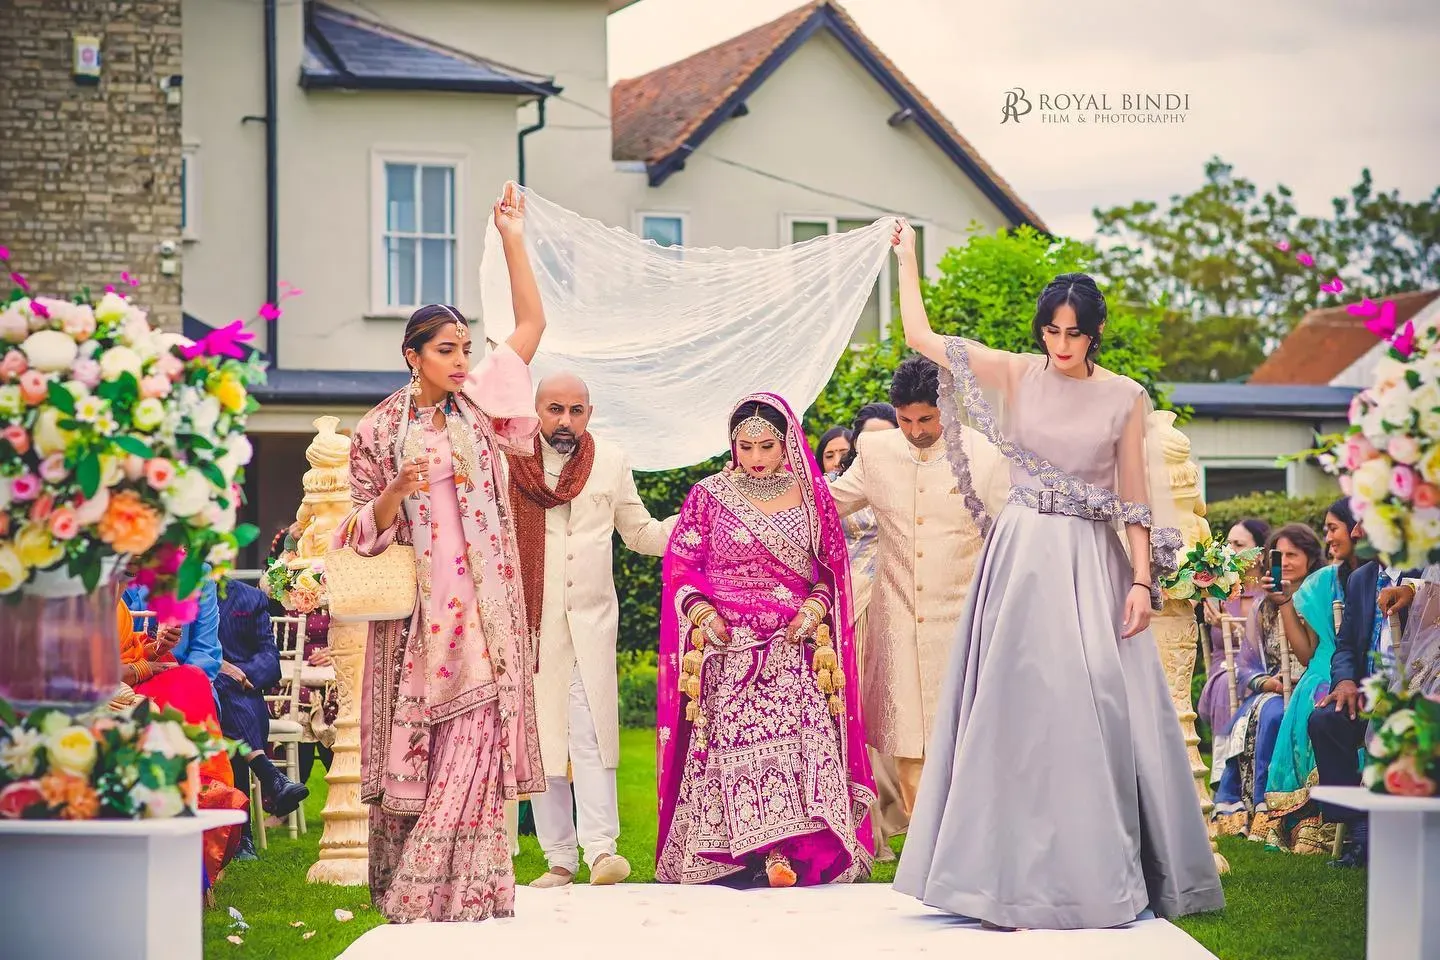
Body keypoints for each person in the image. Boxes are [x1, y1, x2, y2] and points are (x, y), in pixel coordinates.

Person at [888, 220, 1223, 930]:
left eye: (1074, 333)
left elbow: (1134, 497)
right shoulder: (1016, 372)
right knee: (1009, 712)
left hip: (1086, 564)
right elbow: (920, 335)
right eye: (1052, 331)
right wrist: (908, 259)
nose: (1061, 345)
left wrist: (1140, 583)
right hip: (1019, 559)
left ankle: (1093, 872)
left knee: (1094, 707)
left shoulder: (1125, 397)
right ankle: (992, 877)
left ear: (1095, 332)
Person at [338, 183, 547, 923]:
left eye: (465, 348)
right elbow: (356, 530)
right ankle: (421, 888)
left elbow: (530, 323)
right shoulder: (378, 430)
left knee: (480, 741)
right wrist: (395, 488)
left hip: (486, 613)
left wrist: (512, 237)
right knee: (424, 750)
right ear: (412, 355)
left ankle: (472, 890)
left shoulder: (485, 402)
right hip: (421, 626)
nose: (462, 360)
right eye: (447, 350)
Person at [655, 394, 875, 887]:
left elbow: (827, 573)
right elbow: (684, 566)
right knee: (735, 742)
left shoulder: (811, 498)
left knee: (800, 744)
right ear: (732, 446)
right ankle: (753, 855)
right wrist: (703, 611)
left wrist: (812, 610)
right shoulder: (707, 496)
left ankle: (789, 853)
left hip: (794, 645)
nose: (755, 458)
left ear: (787, 444)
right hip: (728, 647)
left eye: (766, 447)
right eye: (745, 446)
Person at [826, 358, 1008, 818]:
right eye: (905, 419)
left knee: (968, 736)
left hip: (965, 620)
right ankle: (923, 845)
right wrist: (753, 498)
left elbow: (1012, 536)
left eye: (927, 419)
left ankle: (969, 842)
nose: (916, 430)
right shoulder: (876, 451)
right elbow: (827, 505)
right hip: (899, 619)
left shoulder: (986, 454)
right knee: (906, 735)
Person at [513, 371, 674, 889]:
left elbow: (641, 533)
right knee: (544, 735)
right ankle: (559, 858)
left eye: (575, 410)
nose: (564, 420)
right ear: (536, 409)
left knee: (593, 733)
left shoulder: (611, 460)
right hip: (532, 625)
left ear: (589, 411)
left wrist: (701, 520)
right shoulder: (511, 460)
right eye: (554, 409)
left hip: (592, 622)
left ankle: (602, 851)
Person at [115, 602, 246, 892]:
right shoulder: (89, 596)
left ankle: (212, 792)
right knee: (186, 684)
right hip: (111, 690)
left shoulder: (117, 594)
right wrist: (143, 666)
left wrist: (156, 648)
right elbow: (94, 667)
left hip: (151, 673)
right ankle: (200, 799)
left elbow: (206, 652)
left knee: (192, 679)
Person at [1308, 530, 1419, 868]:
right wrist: (1343, 682)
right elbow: (1345, 646)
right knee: (1325, 720)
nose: (1355, 532)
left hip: (1417, 689)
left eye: (1363, 522)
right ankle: (1359, 831)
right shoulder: (1361, 578)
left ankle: (1398, 834)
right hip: (1367, 693)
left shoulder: (1426, 573)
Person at [1209, 524, 1324, 839]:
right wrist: (1265, 683)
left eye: (1293, 554)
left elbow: (1315, 653)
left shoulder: (1318, 595)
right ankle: (1244, 806)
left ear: (1311, 558)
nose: (1285, 561)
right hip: (1273, 687)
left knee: (1272, 713)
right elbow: (1246, 662)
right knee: (1256, 711)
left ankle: (1266, 805)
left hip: (1310, 684)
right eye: (1280, 554)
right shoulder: (1264, 605)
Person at [830, 402, 905, 861]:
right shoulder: (837, 490)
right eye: (869, 440)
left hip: (900, 602)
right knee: (857, 714)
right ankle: (867, 832)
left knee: (898, 714)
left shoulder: (910, 482)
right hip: (854, 601)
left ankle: (904, 817)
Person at [1261, 503, 1356, 853]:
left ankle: (1343, 823)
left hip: (1361, 672)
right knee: (1315, 694)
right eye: (1326, 529)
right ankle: (1310, 822)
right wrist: (1285, 602)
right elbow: (1306, 653)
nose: (1329, 536)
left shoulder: (1377, 577)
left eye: (1334, 528)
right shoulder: (1320, 584)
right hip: (1321, 668)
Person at [212, 576, 308, 859]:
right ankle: (269, 780)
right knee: (221, 691)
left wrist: (240, 676)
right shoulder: (170, 594)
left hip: (243, 695)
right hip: (200, 687)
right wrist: (221, 671)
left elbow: (269, 657)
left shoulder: (249, 598)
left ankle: (241, 837)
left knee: (230, 707)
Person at [1195, 518, 1269, 734]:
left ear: (1260, 554)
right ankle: (1229, 759)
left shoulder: (1271, 595)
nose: (1231, 551)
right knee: (1231, 681)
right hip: (1225, 667)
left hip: (1264, 665)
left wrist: (1232, 628)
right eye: (1228, 545)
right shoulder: (1217, 593)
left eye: (1239, 545)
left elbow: (1269, 644)